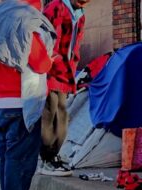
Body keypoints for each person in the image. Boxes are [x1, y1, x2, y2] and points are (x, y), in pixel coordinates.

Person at [0, 0, 56, 190]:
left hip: (2, 105)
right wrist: (51, 59)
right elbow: (41, 64)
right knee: (21, 158)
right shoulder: (25, 32)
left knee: (7, 157)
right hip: (22, 104)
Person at [39, 0, 91, 177]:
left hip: (65, 73)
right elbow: (46, 40)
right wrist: (48, 65)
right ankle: (47, 159)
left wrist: (72, 68)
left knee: (62, 116)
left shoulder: (80, 14)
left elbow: (75, 45)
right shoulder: (56, 7)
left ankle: (52, 156)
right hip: (51, 71)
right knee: (49, 115)